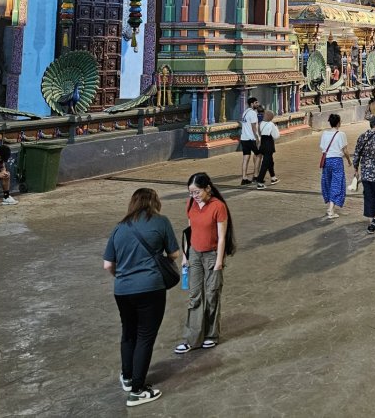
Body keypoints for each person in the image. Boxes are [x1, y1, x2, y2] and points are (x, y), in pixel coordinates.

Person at [103, 187, 179, 407]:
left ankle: (127, 377)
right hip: (151, 288)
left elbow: (108, 264)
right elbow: (174, 253)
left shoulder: (120, 227)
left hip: (122, 290)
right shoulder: (161, 222)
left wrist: (123, 277)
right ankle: (137, 390)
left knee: (129, 333)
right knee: (145, 336)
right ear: (155, 202)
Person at [174, 173, 234, 354]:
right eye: (191, 193)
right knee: (195, 296)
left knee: (212, 294)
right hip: (194, 254)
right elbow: (189, 231)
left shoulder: (218, 206)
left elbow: (222, 237)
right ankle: (192, 338)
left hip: (212, 255)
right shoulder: (190, 203)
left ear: (207, 188)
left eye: (197, 192)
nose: (194, 196)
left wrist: (219, 262)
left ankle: (211, 335)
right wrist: (185, 256)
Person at [319, 113, 351, 218]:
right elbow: (345, 151)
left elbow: (322, 147)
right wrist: (349, 160)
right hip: (337, 161)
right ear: (338, 123)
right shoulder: (341, 134)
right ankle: (331, 209)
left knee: (327, 182)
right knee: (337, 183)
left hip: (326, 161)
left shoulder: (324, 133)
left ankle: (330, 207)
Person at [253, 110, 280, 188]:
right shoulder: (271, 125)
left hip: (262, 144)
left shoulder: (261, 123)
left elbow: (258, 134)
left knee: (270, 162)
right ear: (271, 117)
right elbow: (276, 136)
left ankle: (273, 177)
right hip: (269, 144)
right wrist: (276, 127)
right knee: (265, 163)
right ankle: (260, 182)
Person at [238, 98, 261, 185]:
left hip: (244, 138)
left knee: (246, 158)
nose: (258, 104)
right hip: (251, 138)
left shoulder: (245, 112)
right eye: (256, 102)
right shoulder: (252, 113)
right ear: (252, 104)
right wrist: (257, 137)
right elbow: (253, 126)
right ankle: (256, 176)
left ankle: (244, 178)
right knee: (258, 155)